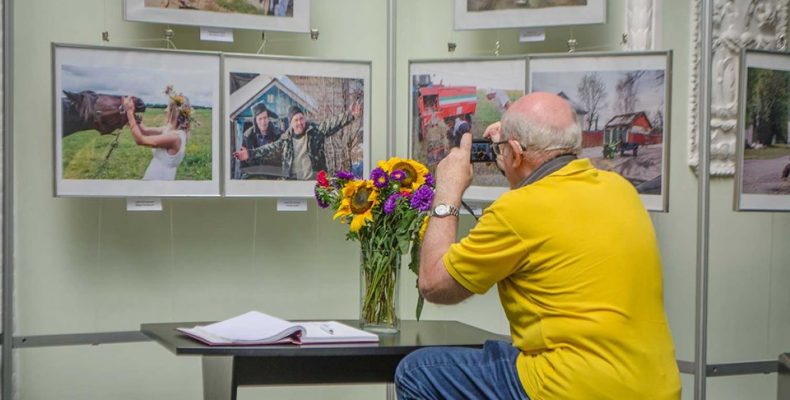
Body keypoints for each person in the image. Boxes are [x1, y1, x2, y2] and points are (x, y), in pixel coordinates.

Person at [395, 92, 681, 399]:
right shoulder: (620, 190)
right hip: (657, 387)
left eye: (504, 149)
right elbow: (547, 186)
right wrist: (512, 154)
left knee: (417, 372)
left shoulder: (516, 211)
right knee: (500, 352)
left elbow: (434, 284)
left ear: (515, 152)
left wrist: (448, 192)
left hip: (571, 389)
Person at [233, 100, 362, 180]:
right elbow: (268, 149)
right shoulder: (285, 140)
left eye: (301, 118)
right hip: (293, 184)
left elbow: (332, 123)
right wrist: (250, 153)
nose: (299, 123)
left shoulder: (315, 131)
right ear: (291, 123)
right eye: (296, 120)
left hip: (314, 182)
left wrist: (350, 115)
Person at [123, 86, 193, 180]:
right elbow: (145, 130)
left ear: (174, 112)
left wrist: (129, 113)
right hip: (156, 172)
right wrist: (135, 116)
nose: (165, 110)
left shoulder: (174, 137)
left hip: (159, 177)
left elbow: (141, 140)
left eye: (168, 107)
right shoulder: (170, 130)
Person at [239, 102, 282, 170]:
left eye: (265, 118)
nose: (263, 122)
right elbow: (243, 163)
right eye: (260, 119)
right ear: (255, 120)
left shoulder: (279, 134)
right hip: (255, 174)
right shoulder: (247, 136)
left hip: (275, 175)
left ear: (268, 118)